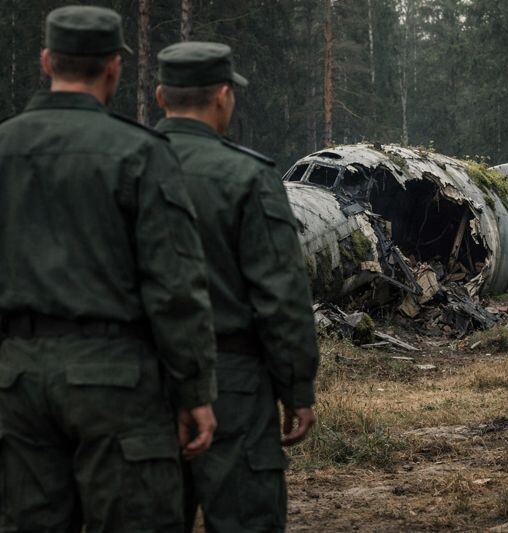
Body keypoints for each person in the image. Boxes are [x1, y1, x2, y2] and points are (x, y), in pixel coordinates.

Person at [0, 6, 218, 531]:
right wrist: (194, 392)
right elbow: (175, 285)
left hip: (14, 380)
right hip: (115, 383)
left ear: (47, 61)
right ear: (115, 67)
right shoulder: (140, 153)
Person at [153, 42, 319, 532]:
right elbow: (281, 292)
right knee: (245, 518)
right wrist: (297, 386)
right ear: (223, 96)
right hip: (235, 382)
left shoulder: (125, 163)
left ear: (162, 97)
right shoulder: (248, 175)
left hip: (141, 378)